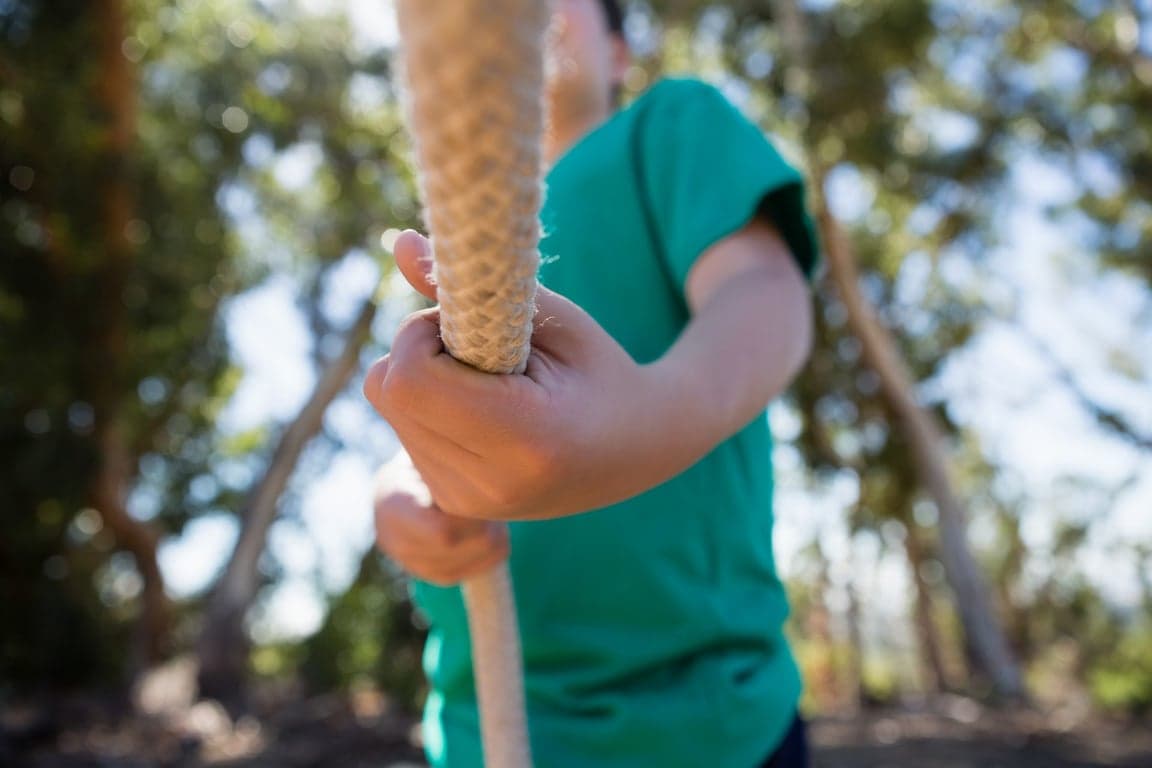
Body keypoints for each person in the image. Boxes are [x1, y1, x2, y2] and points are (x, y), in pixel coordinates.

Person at [364, 1, 819, 765]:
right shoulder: (443, 241)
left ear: (616, 56)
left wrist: (641, 421)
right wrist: (396, 496)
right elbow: (435, 428)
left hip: (702, 727)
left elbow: (765, 293)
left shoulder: (669, 126)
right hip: (482, 731)